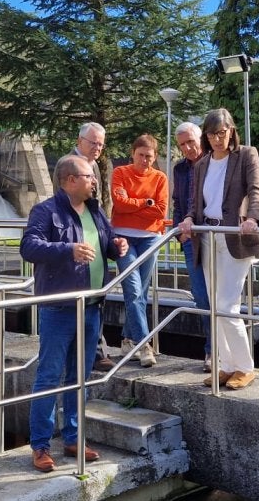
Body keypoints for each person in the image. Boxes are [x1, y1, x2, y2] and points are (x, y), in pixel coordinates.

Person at [21, 154, 128, 472]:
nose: (94, 180)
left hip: (92, 308)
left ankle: (73, 438)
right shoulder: (46, 211)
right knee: (49, 377)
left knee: (79, 378)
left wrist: (116, 246)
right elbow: (29, 247)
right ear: (69, 180)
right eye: (88, 176)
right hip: (59, 308)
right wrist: (67, 250)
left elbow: (105, 244)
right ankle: (40, 446)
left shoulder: (95, 211)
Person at [177, 108, 259, 391]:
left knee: (227, 305)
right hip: (207, 236)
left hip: (234, 236)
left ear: (231, 131)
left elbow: (256, 190)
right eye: (212, 134)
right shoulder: (202, 163)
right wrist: (189, 218)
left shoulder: (246, 155)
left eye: (222, 133)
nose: (217, 139)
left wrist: (253, 218)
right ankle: (226, 365)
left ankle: (245, 367)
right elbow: (195, 201)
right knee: (216, 306)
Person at [111, 134, 168, 368]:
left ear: (154, 158)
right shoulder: (120, 173)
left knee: (141, 291)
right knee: (133, 289)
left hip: (150, 238)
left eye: (149, 157)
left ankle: (127, 339)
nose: (145, 160)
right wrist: (146, 203)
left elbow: (161, 211)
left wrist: (133, 205)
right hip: (123, 237)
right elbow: (119, 203)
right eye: (141, 155)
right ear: (132, 153)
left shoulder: (160, 178)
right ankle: (144, 344)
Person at [71, 121, 117, 368]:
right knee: (81, 296)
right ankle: (93, 352)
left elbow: (97, 206)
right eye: (93, 143)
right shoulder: (69, 164)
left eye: (101, 144)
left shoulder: (95, 167)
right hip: (77, 239)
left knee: (98, 292)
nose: (98, 148)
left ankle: (97, 351)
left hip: (95, 236)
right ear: (80, 141)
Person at [171, 121, 212, 368]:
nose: (187, 147)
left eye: (191, 142)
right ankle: (212, 349)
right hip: (190, 239)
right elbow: (178, 202)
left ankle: (216, 352)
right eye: (182, 144)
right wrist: (179, 232)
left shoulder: (215, 162)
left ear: (200, 139)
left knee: (219, 298)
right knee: (200, 296)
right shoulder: (180, 169)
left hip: (215, 236)